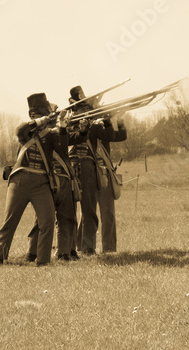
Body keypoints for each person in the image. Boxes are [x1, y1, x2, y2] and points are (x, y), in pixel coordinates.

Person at [0, 93, 70, 266]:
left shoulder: (50, 134)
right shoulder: (26, 130)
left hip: (41, 183)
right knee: (10, 222)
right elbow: (20, 131)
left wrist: (63, 126)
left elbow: (63, 147)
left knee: (48, 221)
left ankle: (42, 261)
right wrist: (41, 121)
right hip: (19, 180)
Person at [26, 117, 89, 262]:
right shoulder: (54, 134)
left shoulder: (35, 135)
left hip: (48, 180)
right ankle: (61, 253)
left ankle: (35, 252)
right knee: (63, 218)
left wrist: (83, 130)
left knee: (45, 219)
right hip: (54, 180)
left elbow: (76, 138)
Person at [68, 85, 115, 255]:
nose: (84, 110)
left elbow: (110, 136)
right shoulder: (67, 123)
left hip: (83, 167)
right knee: (72, 211)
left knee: (87, 211)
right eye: (82, 107)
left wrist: (107, 119)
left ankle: (84, 248)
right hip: (74, 168)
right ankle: (72, 249)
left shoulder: (91, 123)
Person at [97, 116, 127, 252]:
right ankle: (84, 248)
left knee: (108, 213)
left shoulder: (103, 128)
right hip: (86, 172)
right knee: (87, 215)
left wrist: (119, 119)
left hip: (104, 173)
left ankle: (109, 248)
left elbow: (121, 136)